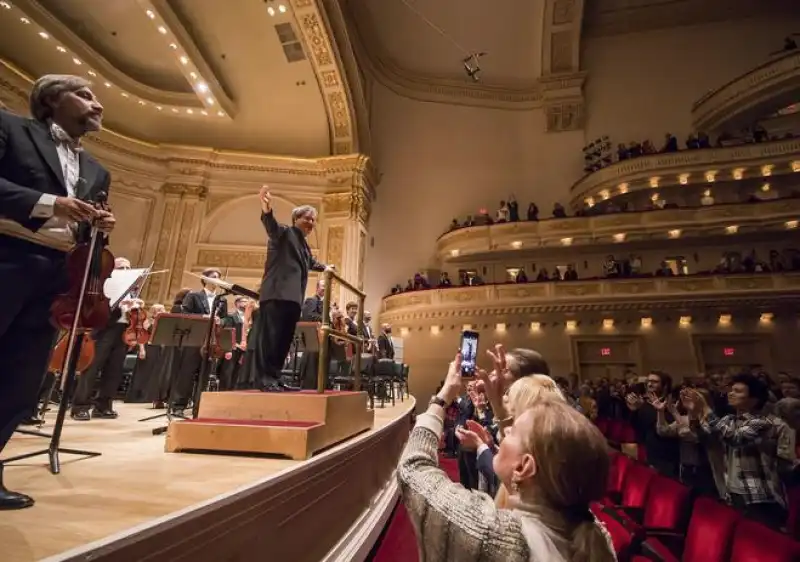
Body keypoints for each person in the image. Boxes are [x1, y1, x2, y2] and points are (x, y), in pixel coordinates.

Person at [0, 74, 116, 509]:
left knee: (20, 379)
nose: (97, 103)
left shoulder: (98, 171)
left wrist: (98, 227)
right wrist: (51, 203)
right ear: (51, 100)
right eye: (85, 94)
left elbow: (83, 228)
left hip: (57, 276)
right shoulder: (9, 128)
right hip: (7, 256)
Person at [256, 185, 332, 391]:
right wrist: (266, 207)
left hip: (292, 299)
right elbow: (270, 226)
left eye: (313, 220)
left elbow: (311, 262)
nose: (310, 222)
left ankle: (276, 378)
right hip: (276, 295)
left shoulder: (304, 246)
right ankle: (266, 380)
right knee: (271, 339)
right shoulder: (284, 232)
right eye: (306, 218)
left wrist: (326, 267)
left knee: (284, 340)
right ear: (296, 219)